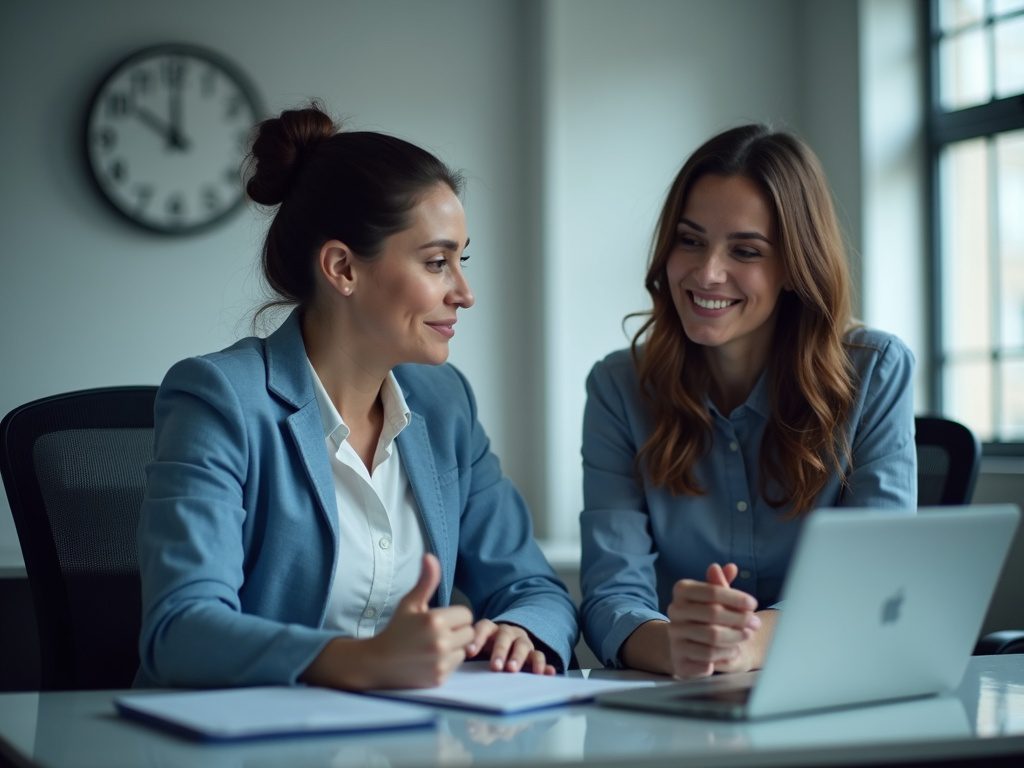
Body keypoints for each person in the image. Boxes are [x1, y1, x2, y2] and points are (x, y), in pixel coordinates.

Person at [136, 103, 577, 690]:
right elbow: (181, 630)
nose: (465, 293)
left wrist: (521, 630)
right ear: (343, 268)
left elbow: (532, 587)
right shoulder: (220, 400)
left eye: (461, 261)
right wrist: (359, 661)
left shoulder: (444, 405)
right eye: (437, 262)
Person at [579, 124, 916, 679]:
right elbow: (611, 595)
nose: (708, 272)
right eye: (690, 240)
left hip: (835, 690)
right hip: (683, 705)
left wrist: (746, 644)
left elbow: (871, 581)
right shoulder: (619, 387)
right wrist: (678, 644)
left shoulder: (874, 372)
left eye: (746, 250)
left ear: (793, 265)